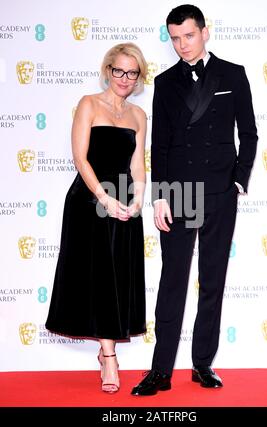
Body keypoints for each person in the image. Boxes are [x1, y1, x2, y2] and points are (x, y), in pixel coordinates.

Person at [131, 4, 258, 396]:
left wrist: (237, 182)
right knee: (173, 280)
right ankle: (160, 371)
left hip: (220, 191)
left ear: (205, 32)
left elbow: (249, 134)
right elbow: (161, 145)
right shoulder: (166, 82)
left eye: (188, 35)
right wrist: (160, 197)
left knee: (213, 280)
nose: (182, 45)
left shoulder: (233, 75)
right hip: (180, 193)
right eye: (174, 38)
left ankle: (203, 364)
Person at [46, 42, 148, 394]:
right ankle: (109, 357)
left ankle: (108, 352)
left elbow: (137, 165)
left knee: (118, 278)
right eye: (118, 70)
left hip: (123, 204)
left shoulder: (138, 115)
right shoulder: (89, 104)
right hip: (89, 200)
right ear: (108, 71)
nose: (124, 78)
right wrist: (103, 197)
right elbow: (80, 158)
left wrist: (136, 200)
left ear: (139, 77)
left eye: (131, 72)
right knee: (99, 277)